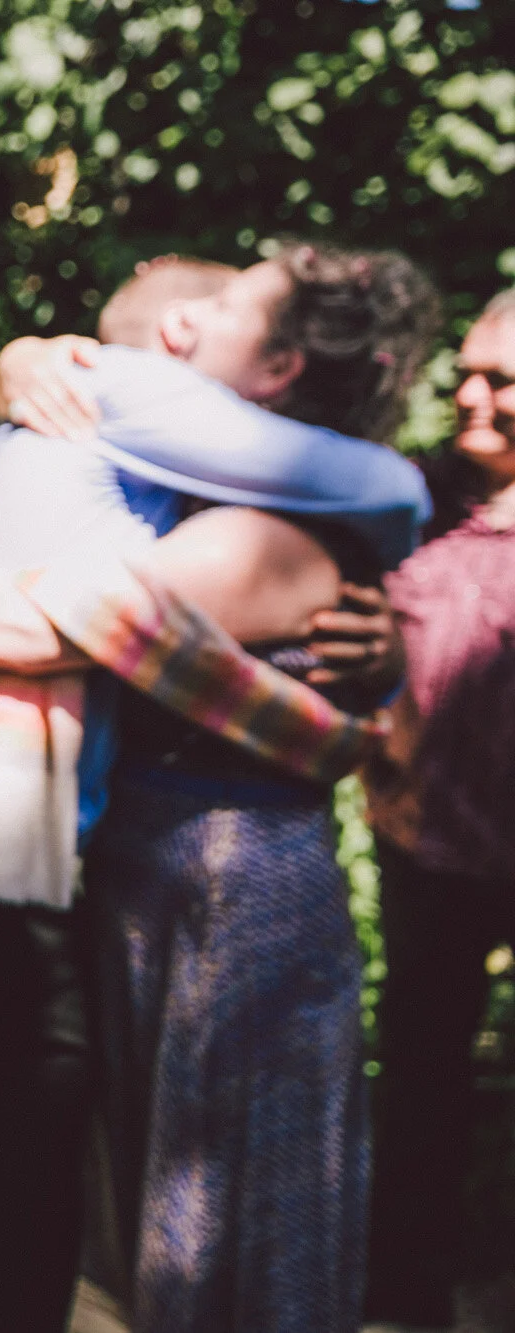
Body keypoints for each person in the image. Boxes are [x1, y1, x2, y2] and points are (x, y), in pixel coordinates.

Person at [0, 243, 439, 1333]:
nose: (185, 322)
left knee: (231, 1206)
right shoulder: (207, 483)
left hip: (223, 898)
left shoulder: (246, 523)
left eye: (226, 303)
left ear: (277, 366)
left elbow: (28, 627)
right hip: (157, 882)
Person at [362, 287, 515, 1330]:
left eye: (498, 379)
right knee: (418, 1083)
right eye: (462, 371)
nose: (467, 394)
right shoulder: (412, 500)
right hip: (427, 854)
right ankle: (404, 1300)